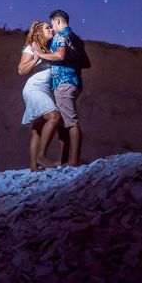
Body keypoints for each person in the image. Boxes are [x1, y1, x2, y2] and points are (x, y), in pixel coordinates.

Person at [33, 9, 90, 167]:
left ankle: (73, 161)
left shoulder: (60, 36)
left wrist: (40, 54)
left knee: (71, 122)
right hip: (76, 82)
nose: (52, 26)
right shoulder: (77, 39)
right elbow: (86, 63)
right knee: (64, 122)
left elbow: (59, 56)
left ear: (58, 21)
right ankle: (64, 160)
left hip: (64, 83)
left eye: (52, 23)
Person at [17, 21, 62, 171]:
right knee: (54, 117)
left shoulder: (48, 49)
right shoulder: (31, 48)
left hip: (45, 90)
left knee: (38, 128)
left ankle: (33, 166)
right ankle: (41, 156)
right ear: (39, 32)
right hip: (34, 89)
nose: (50, 29)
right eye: (47, 28)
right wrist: (36, 59)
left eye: (50, 27)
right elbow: (21, 70)